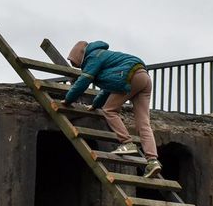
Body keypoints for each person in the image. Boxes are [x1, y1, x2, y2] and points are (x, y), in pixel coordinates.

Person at [59, 40, 161, 178]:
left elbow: (84, 80)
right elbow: (109, 88)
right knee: (143, 123)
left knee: (110, 110)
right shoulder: (106, 56)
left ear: (80, 55)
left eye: (76, 63)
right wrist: (95, 105)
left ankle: (127, 143)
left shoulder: (93, 56)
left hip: (130, 77)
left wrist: (68, 99)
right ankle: (153, 161)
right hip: (144, 78)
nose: (79, 67)